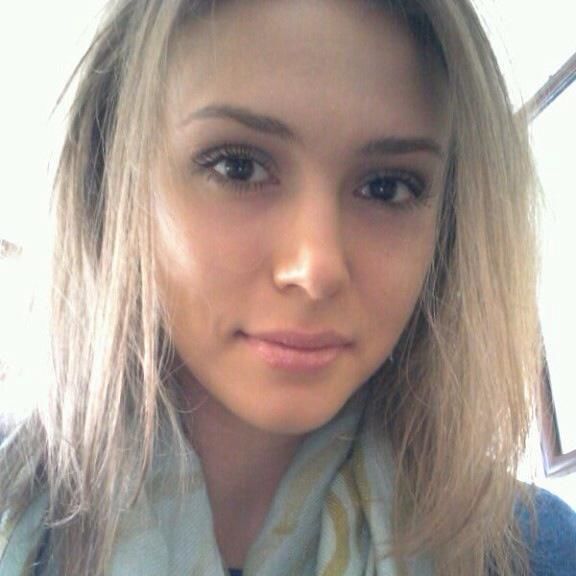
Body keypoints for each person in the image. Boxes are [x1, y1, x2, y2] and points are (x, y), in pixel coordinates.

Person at [0, 0, 575, 574]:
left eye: (387, 187)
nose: (316, 267)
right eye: (238, 167)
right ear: (112, 182)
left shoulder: (532, 552)